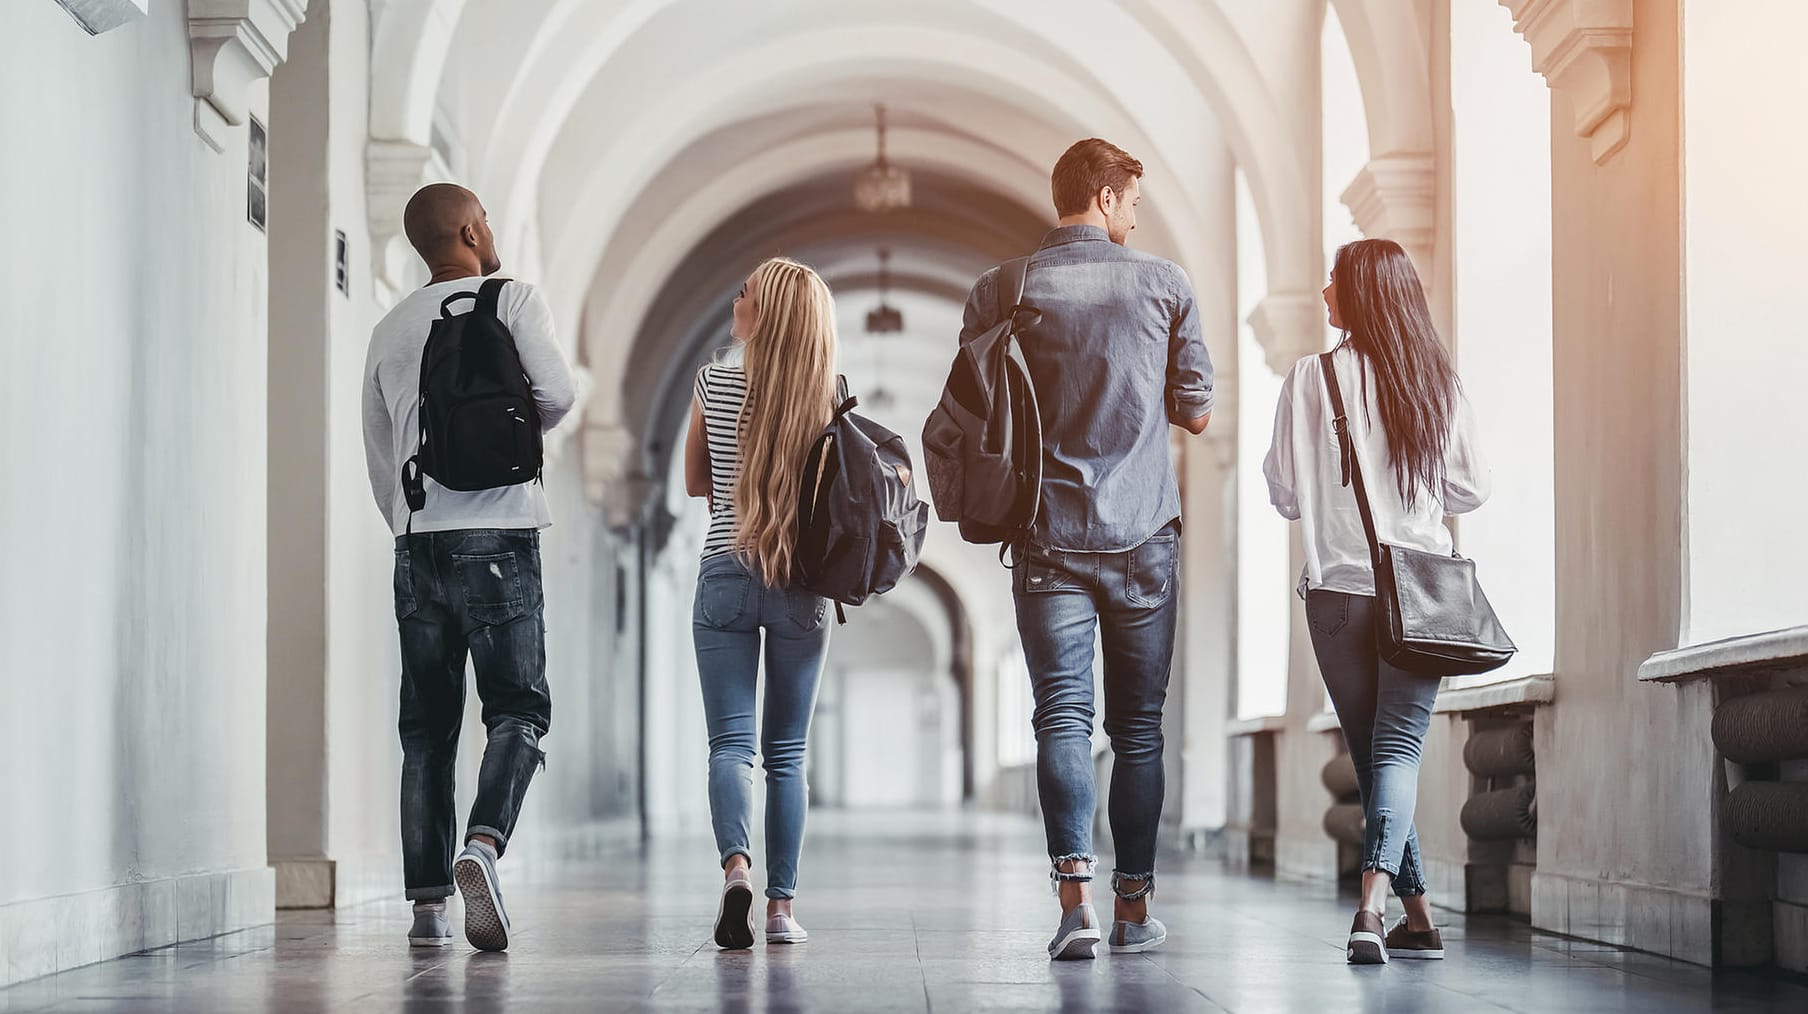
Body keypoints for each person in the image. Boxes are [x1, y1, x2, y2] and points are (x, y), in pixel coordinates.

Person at [960, 139, 1214, 960]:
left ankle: (1076, 906)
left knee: (1060, 719)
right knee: (1138, 730)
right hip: (1144, 538)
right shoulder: (1165, 283)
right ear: (1104, 198)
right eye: (1132, 202)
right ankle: (1134, 911)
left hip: (1045, 538)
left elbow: (976, 407)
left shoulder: (1001, 288)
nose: (1136, 217)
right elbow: (1198, 411)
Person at [1262, 237, 1491, 965]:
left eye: (1333, 280)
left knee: (1374, 756)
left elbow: (1287, 495)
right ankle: (1394, 912)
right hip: (1419, 594)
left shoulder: (1309, 378)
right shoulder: (1435, 382)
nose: (1324, 292)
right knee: (1390, 755)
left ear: (1360, 294)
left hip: (1336, 596)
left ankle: (1388, 911)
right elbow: (1471, 490)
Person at [362, 183, 577, 951]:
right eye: (483, 215)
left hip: (418, 542)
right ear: (466, 227)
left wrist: (415, 519)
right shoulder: (510, 300)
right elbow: (558, 394)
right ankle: (481, 846)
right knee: (518, 709)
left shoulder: (388, 327)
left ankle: (426, 910)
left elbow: (381, 457)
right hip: (502, 534)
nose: (489, 227)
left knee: (426, 729)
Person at [684, 257, 838, 949]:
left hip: (725, 569)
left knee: (730, 746)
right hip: (801, 583)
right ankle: (780, 910)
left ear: (765, 314)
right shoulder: (828, 394)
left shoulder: (712, 380)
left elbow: (695, 483)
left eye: (743, 290)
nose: (734, 296)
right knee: (787, 755)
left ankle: (736, 871)